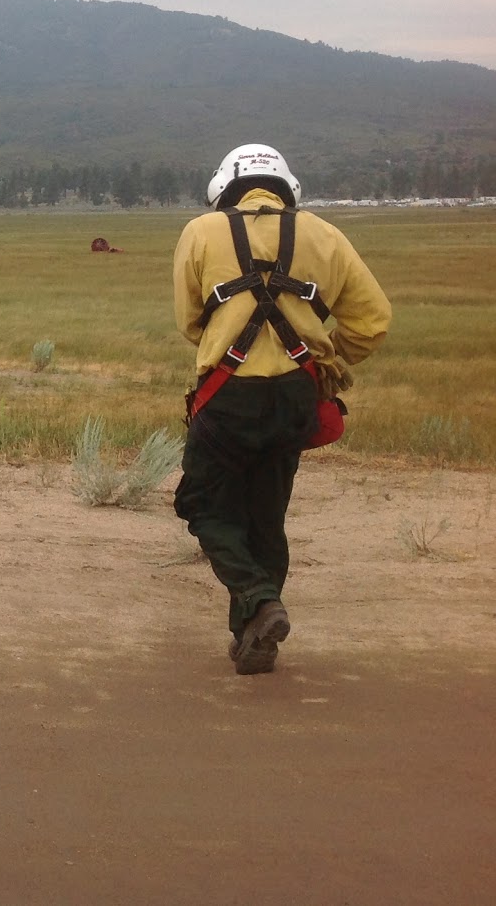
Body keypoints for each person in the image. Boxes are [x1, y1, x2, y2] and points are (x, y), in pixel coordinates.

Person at [173, 143, 391, 675]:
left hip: (228, 395)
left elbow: (190, 322)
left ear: (224, 188)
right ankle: (253, 640)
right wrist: (328, 359)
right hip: (297, 394)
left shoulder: (201, 232)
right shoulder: (324, 235)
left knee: (201, 504)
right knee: (266, 517)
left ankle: (258, 598)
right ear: (286, 188)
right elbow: (373, 319)